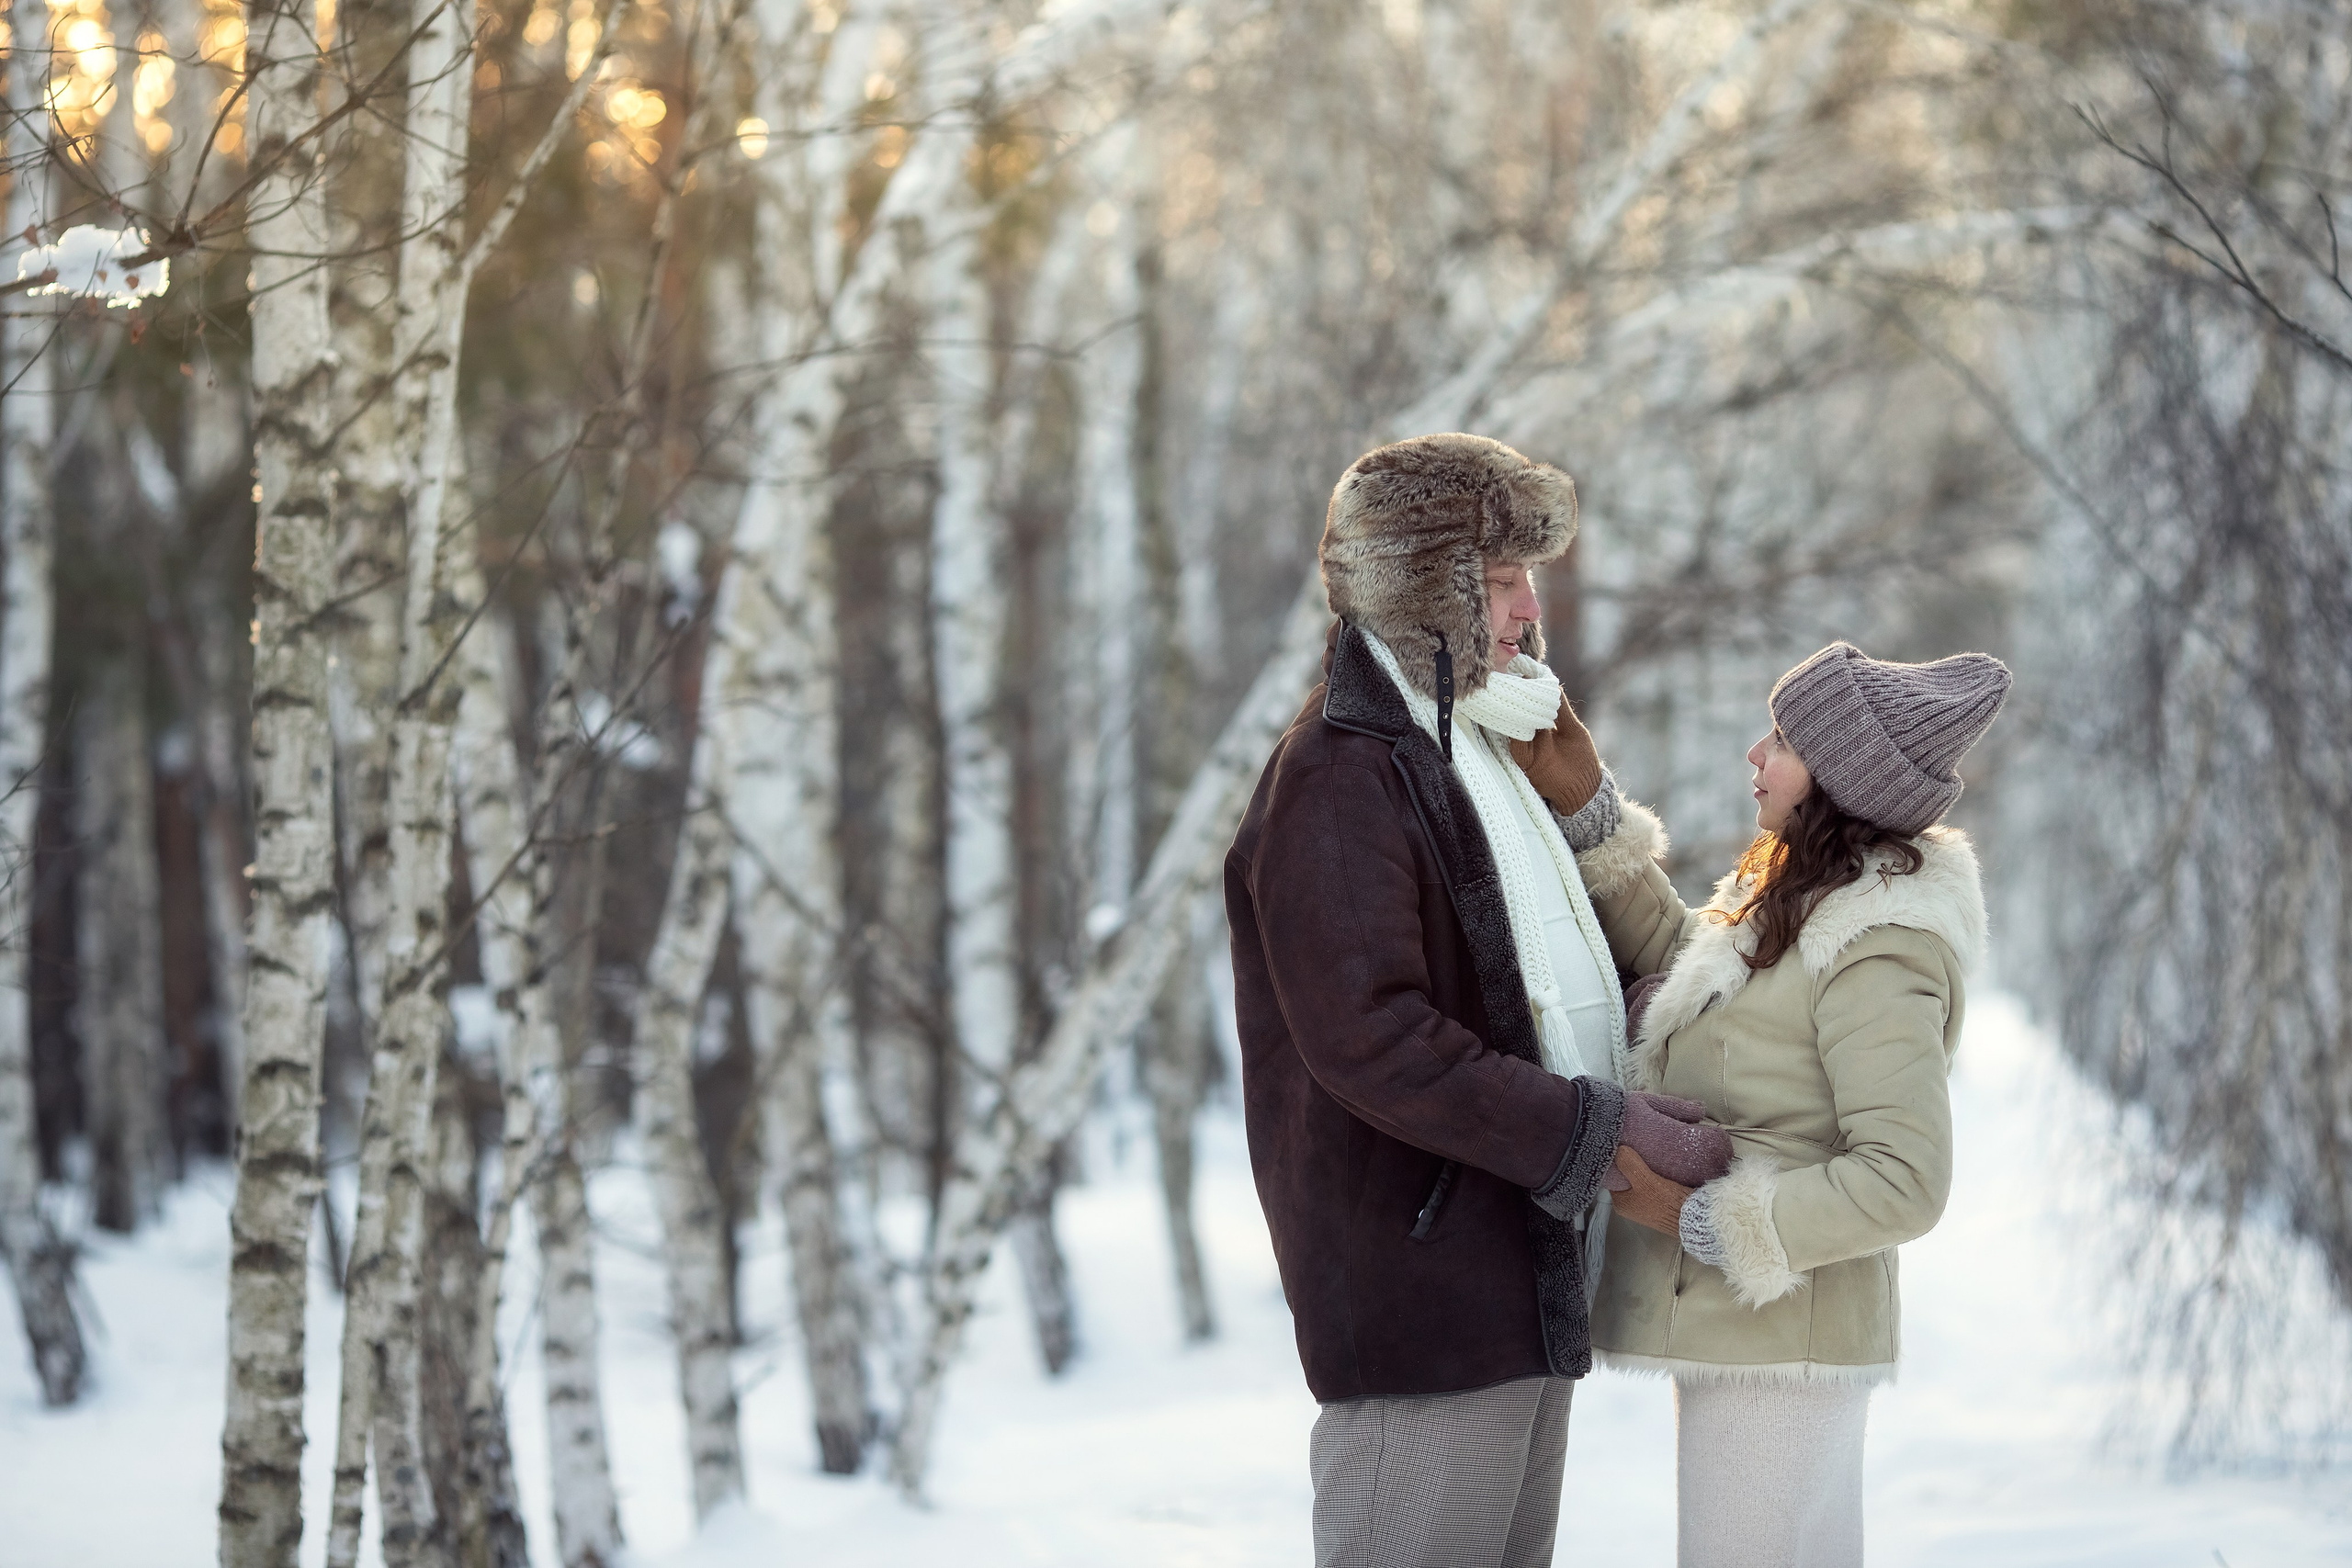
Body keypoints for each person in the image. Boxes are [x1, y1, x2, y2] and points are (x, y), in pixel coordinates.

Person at [1226, 432, 1732, 1568]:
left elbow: (1518, 981)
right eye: (1499, 580)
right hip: (1420, 1301)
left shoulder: (1469, 751)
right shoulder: (1340, 773)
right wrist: (1601, 1131)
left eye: (1526, 577)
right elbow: (1373, 1039)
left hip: (1509, 1278)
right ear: (1421, 587)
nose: (1527, 610)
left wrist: (1634, 1011)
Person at [1572, 639, 2012, 1568]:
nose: (1753, 755)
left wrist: (1704, 1221)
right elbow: (1683, 963)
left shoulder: (1876, 942)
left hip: (1784, 1347)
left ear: (1838, 777)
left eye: (1780, 739)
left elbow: (1904, 1180)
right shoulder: (1792, 900)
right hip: (1757, 1339)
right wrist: (1595, 822)